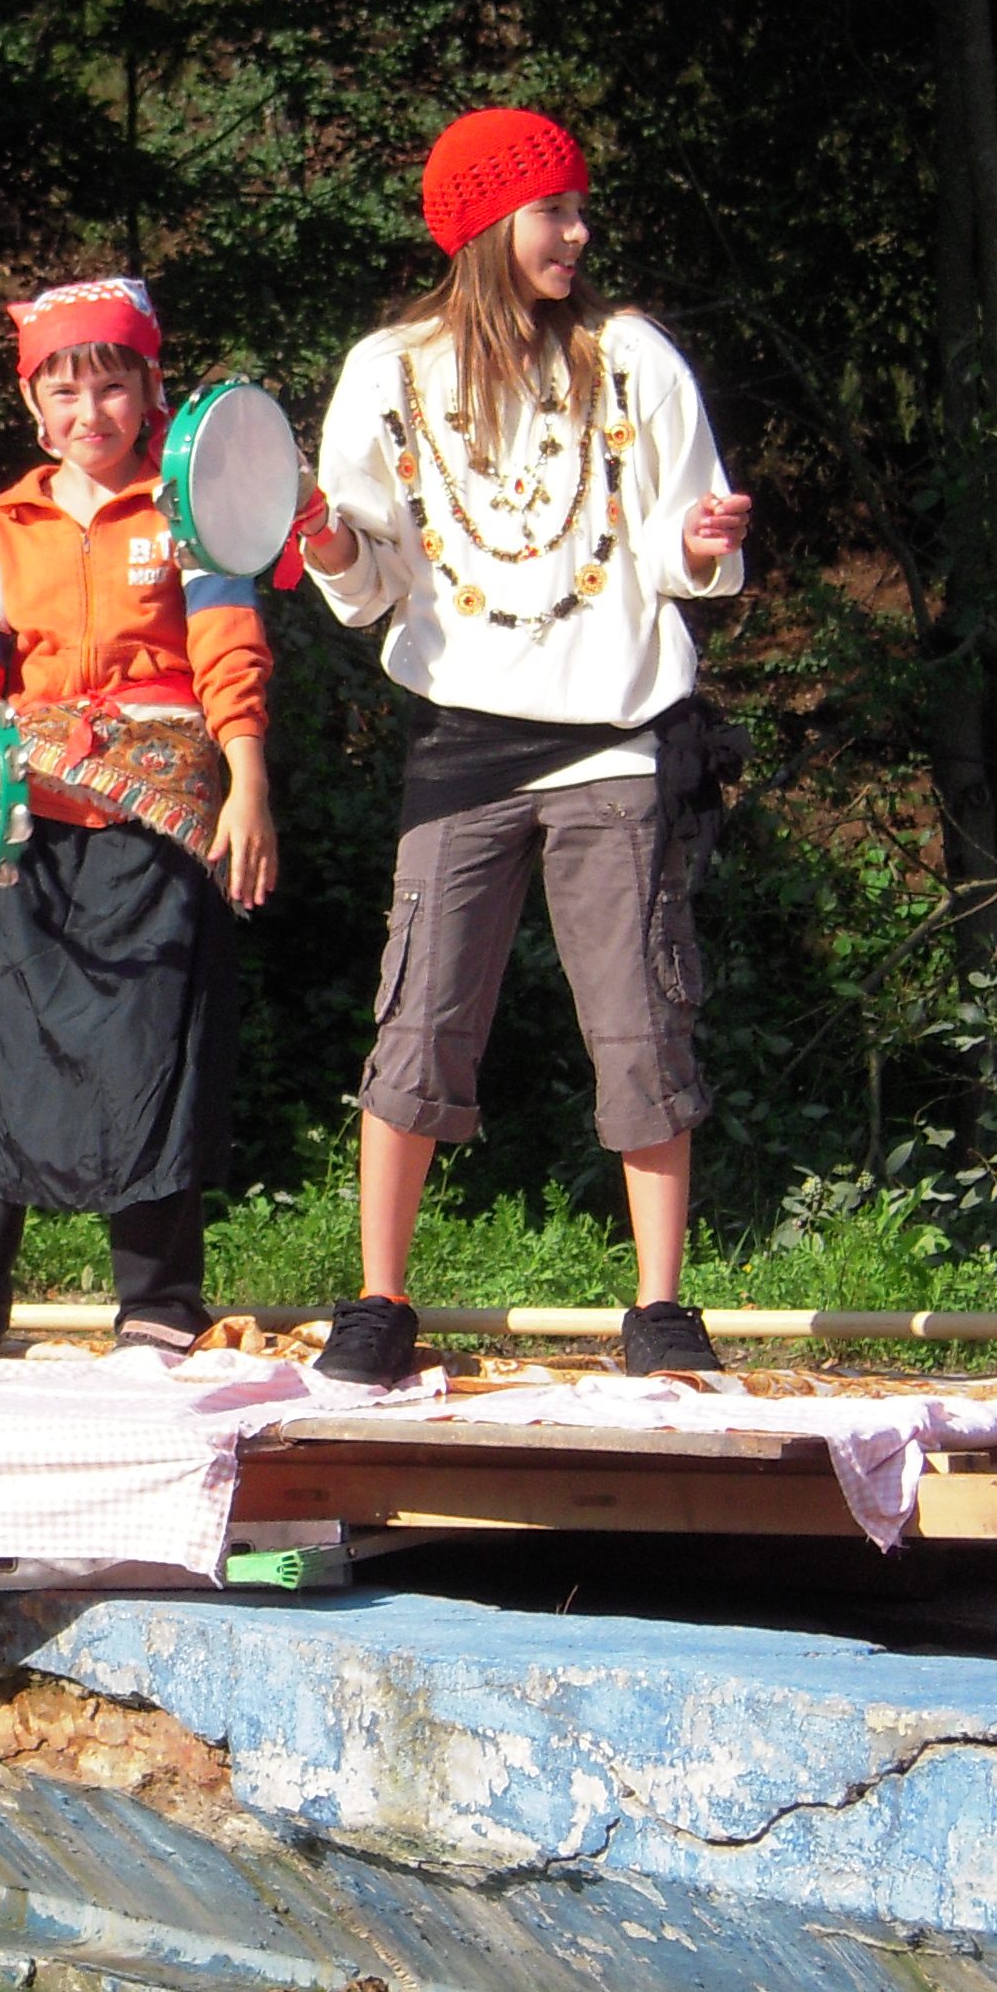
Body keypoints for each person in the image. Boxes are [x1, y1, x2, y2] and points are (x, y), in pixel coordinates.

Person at [297, 109, 755, 1385]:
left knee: (643, 1022)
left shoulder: (632, 358)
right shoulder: (386, 372)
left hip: (613, 737)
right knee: (418, 1018)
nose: (579, 232)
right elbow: (369, 574)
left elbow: (676, 543)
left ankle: (660, 1310)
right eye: (554, 209)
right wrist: (327, 545)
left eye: (579, 206)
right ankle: (379, 1300)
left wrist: (701, 544)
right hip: (464, 740)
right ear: (487, 224)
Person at [0, 277, 279, 1357]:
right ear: (33, 404)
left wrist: (248, 780)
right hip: (31, 816)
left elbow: (228, 648)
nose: (89, 412)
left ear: (150, 392)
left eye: (111, 387)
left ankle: (159, 1296)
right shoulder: (3, 523)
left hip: (160, 824)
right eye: (64, 392)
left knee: (154, 1046)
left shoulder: (189, 507)